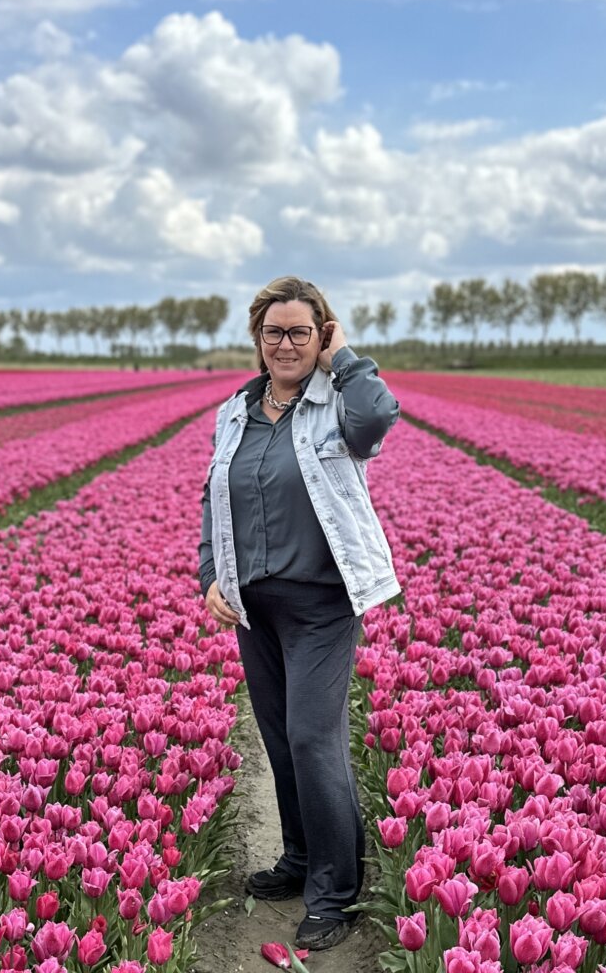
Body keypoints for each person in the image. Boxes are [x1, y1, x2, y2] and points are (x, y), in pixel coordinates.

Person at [198, 276, 400, 951]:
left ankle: (335, 892)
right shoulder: (237, 410)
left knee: (315, 740)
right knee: (281, 739)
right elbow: (214, 496)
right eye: (274, 332)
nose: (285, 344)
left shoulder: (337, 407)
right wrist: (209, 575)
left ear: (322, 336)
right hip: (255, 605)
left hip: (322, 603)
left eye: (300, 332)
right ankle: (301, 859)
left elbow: (379, 416)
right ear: (258, 340)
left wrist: (345, 360)